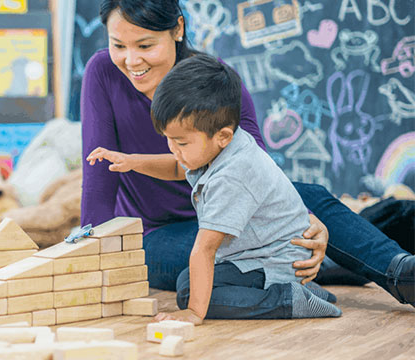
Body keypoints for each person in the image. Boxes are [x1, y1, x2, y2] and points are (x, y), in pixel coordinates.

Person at [80, 0, 414, 312]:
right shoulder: (103, 72)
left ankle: (400, 273)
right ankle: (315, 271)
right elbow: (99, 181)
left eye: (145, 45)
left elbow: (256, 167)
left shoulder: (214, 81)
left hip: (233, 215)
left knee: (309, 196)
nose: (131, 61)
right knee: (227, 259)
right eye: (118, 45)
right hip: (158, 234)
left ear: (177, 30)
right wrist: (89, 257)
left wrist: (305, 217)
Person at [88, 53, 343, 322]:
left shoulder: (232, 175)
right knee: (192, 279)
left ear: (222, 136)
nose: (173, 149)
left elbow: (204, 249)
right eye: (169, 140)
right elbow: (177, 166)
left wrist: (194, 313)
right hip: (265, 256)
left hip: (275, 260)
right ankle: (297, 289)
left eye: (181, 143)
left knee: (189, 291)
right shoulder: (219, 145)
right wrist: (131, 161)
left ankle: (286, 299)